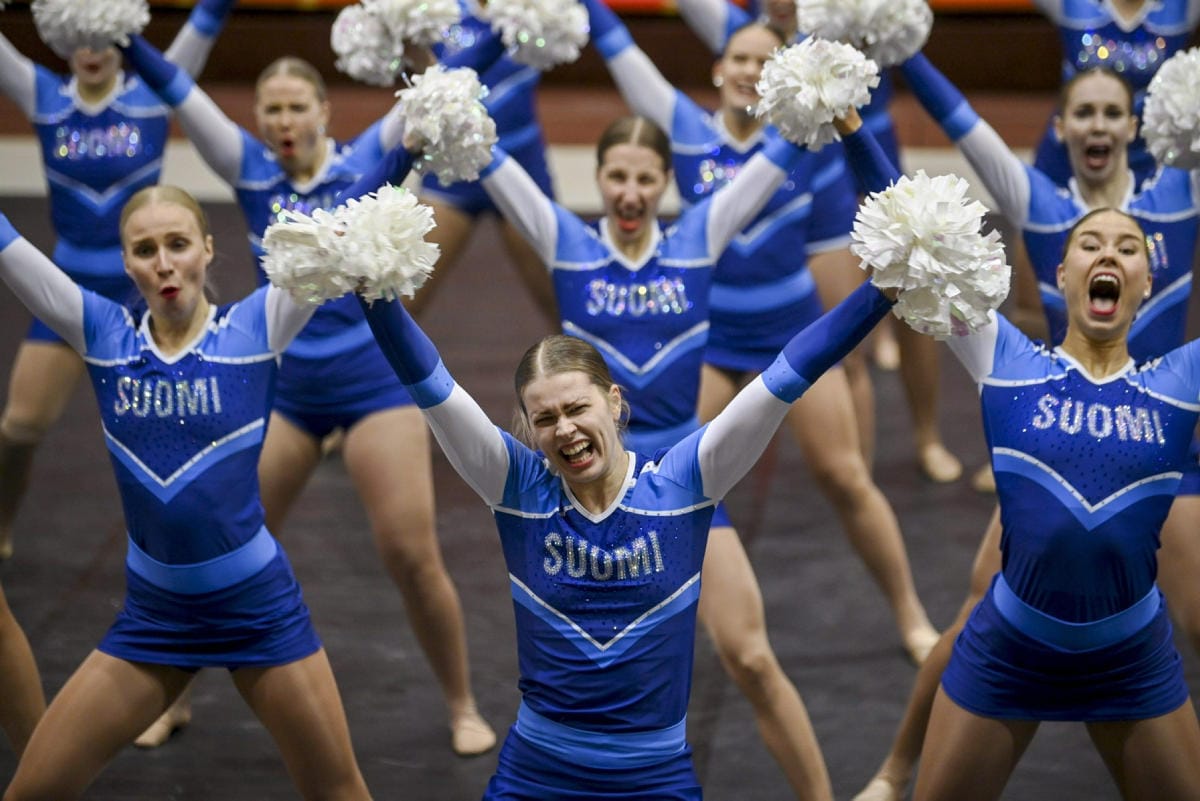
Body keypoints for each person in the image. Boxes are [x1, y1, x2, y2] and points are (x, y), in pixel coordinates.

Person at [354, 213, 908, 799]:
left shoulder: (685, 483)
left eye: (576, 408)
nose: (564, 430)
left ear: (614, 403)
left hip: (656, 778)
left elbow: (787, 375)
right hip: (536, 773)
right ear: (528, 428)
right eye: (544, 419)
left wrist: (881, 293)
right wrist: (372, 288)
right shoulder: (515, 488)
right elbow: (432, 386)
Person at [117, 35, 496, 755]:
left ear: (325, 112)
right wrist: (126, 35)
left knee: (411, 552)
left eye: (298, 107)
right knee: (214, 544)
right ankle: (174, 694)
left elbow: (434, 96)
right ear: (258, 120)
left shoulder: (361, 162)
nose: (285, 121)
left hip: (371, 384)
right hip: (281, 392)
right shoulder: (250, 168)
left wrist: (438, 47)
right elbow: (178, 91)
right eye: (272, 110)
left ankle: (462, 702)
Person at [840, 50, 1200, 795]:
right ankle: (893, 766)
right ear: (1059, 277)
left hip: (1132, 660)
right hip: (1008, 652)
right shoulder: (1004, 357)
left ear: (1145, 281)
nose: (1109, 253)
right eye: (1089, 246)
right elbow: (910, 227)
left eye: (1128, 247)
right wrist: (849, 123)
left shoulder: (1181, 380)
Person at [476, 113, 835, 799]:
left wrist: (822, 101)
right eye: (617, 176)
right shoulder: (569, 243)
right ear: (599, 179)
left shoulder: (698, 239)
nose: (630, 191)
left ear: (666, 182)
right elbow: (493, 165)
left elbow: (765, 167)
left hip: (684, 488)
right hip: (584, 490)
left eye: (645, 177)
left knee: (753, 657)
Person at [582, 0, 939, 666]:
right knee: (665, 482)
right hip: (708, 347)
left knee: (845, 476)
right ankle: (633, 621)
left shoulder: (806, 142)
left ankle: (911, 612)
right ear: (718, 69)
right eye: (738, 59)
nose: (749, 70)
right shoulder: (682, 128)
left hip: (791, 338)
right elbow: (620, 50)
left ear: (780, 74)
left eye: (762, 61)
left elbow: (841, 239)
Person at [0, 186, 373, 800]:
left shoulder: (256, 325)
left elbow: (355, 195)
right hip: (155, 619)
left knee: (337, 790)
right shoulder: (102, 334)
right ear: (126, 263)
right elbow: (11, 249)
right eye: (145, 250)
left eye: (177, 244)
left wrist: (410, 142)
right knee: (30, 792)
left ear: (207, 249)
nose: (164, 263)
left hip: (259, 613)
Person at [673, 0, 962, 484]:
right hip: (795, 159)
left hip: (863, 148)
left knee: (910, 284)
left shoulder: (853, 11)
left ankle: (924, 438)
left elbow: (901, 35)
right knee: (837, 326)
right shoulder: (744, 31)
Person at [0, 0, 236, 561]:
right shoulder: (44, 95)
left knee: (181, 425)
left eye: (101, 37)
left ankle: (204, 536)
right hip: (67, 292)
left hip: (150, 294)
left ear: (121, 35)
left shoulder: (151, 92)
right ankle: (1, 520)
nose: (90, 51)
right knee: (20, 425)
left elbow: (207, 20)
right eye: (77, 39)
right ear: (60, 38)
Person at [405, 6, 559, 328]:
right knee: (402, 303)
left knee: (564, 307)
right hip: (451, 173)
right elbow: (418, 76)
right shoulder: (436, 9)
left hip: (522, 167)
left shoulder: (541, 6)